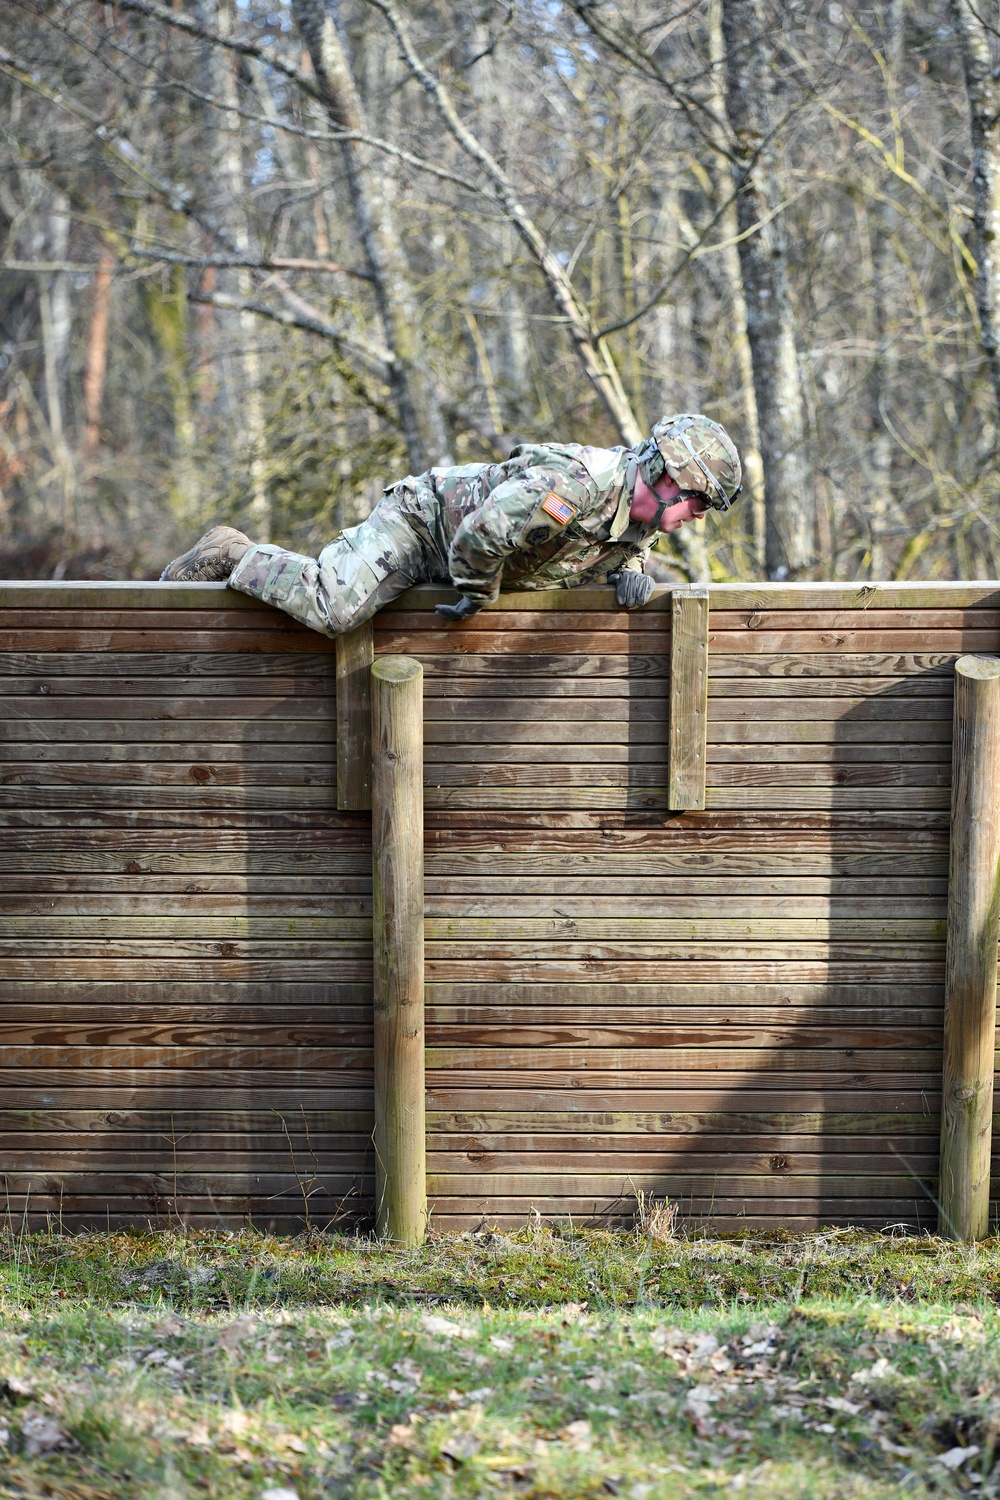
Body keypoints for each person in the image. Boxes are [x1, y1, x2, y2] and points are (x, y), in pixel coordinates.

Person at [160, 412, 742, 634]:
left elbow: (619, 546)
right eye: (695, 502)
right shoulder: (575, 482)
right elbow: (481, 536)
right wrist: (479, 591)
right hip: (426, 523)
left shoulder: (638, 519)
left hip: (464, 552)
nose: (692, 518)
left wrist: (632, 573)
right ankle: (233, 552)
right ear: (667, 478)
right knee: (333, 609)